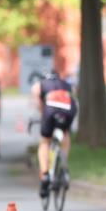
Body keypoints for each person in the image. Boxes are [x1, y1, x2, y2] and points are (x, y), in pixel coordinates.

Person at [32, 70, 78, 198]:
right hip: (69, 109)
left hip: (51, 108)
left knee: (45, 141)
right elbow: (74, 97)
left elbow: (38, 103)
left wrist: (43, 117)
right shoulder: (66, 84)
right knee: (65, 134)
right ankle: (63, 165)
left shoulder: (39, 84)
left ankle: (45, 175)